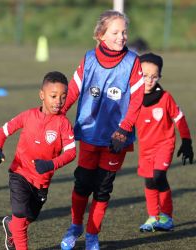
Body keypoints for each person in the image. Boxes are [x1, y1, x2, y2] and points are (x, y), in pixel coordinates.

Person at [59, 10, 145, 250]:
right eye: (115, 32)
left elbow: (137, 99)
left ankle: (92, 235)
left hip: (116, 138)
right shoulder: (88, 59)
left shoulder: (132, 61)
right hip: (89, 133)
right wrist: (58, 114)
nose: (122, 37)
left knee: (103, 188)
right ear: (100, 36)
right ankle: (75, 226)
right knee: (82, 183)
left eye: (124, 32)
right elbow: (74, 89)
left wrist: (124, 128)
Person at [0, 71, 76, 250]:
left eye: (63, 97)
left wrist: (50, 165)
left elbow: (71, 153)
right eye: (53, 96)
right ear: (42, 95)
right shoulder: (28, 116)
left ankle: (11, 226)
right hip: (20, 172)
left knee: (30, 216)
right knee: (20, 213)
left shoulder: (63, 123)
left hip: (42, 181)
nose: (58, 101)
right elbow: (3, 131)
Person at [136, 53, 193, 232]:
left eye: (154, 76)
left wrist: (186, 141)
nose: (149, 80)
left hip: (164, 144)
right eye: (145, 75)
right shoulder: (133, 98)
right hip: (145, 148)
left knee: (158, 177)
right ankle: (153, 216)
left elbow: (179, 117)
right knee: (149, 182)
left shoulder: (165, 97)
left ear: (159, 77)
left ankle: (167, 217)